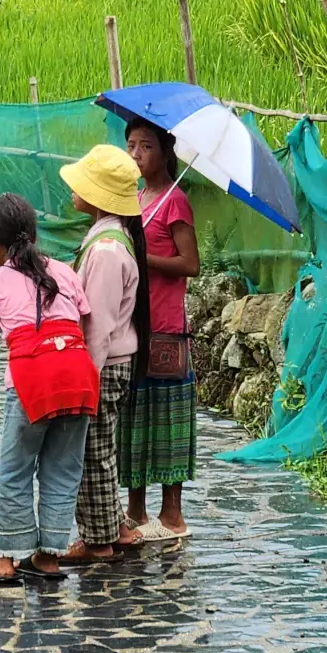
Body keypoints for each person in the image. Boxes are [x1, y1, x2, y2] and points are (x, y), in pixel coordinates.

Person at [0, 193, 99, 583]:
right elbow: (83, 323)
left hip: (31, 381)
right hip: (77, 374)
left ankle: (7, 558)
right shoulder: (66, 272)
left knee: (16, 469)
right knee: (63, 469)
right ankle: (49, 557)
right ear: (35, 235)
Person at [55, 146, 150, 563]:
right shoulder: (108, 240)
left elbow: (98, 325)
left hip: (103, 365)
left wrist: (83, 379)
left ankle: (97, 540)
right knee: (101, 449)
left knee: (91, 454)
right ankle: (112, 525)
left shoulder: (107, 252)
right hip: (111, 363)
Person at [123, 118, 200, 541]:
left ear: (165, 151)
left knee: (168, 419)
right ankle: (136, 510)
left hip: (166, 327)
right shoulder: (137, 197)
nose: (136, 154)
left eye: (146, 146)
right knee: (135, 415)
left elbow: (190, 264)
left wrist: (144, 260)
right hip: (136, 322)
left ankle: (172, 515)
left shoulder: (176, 201)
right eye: (131, 145)